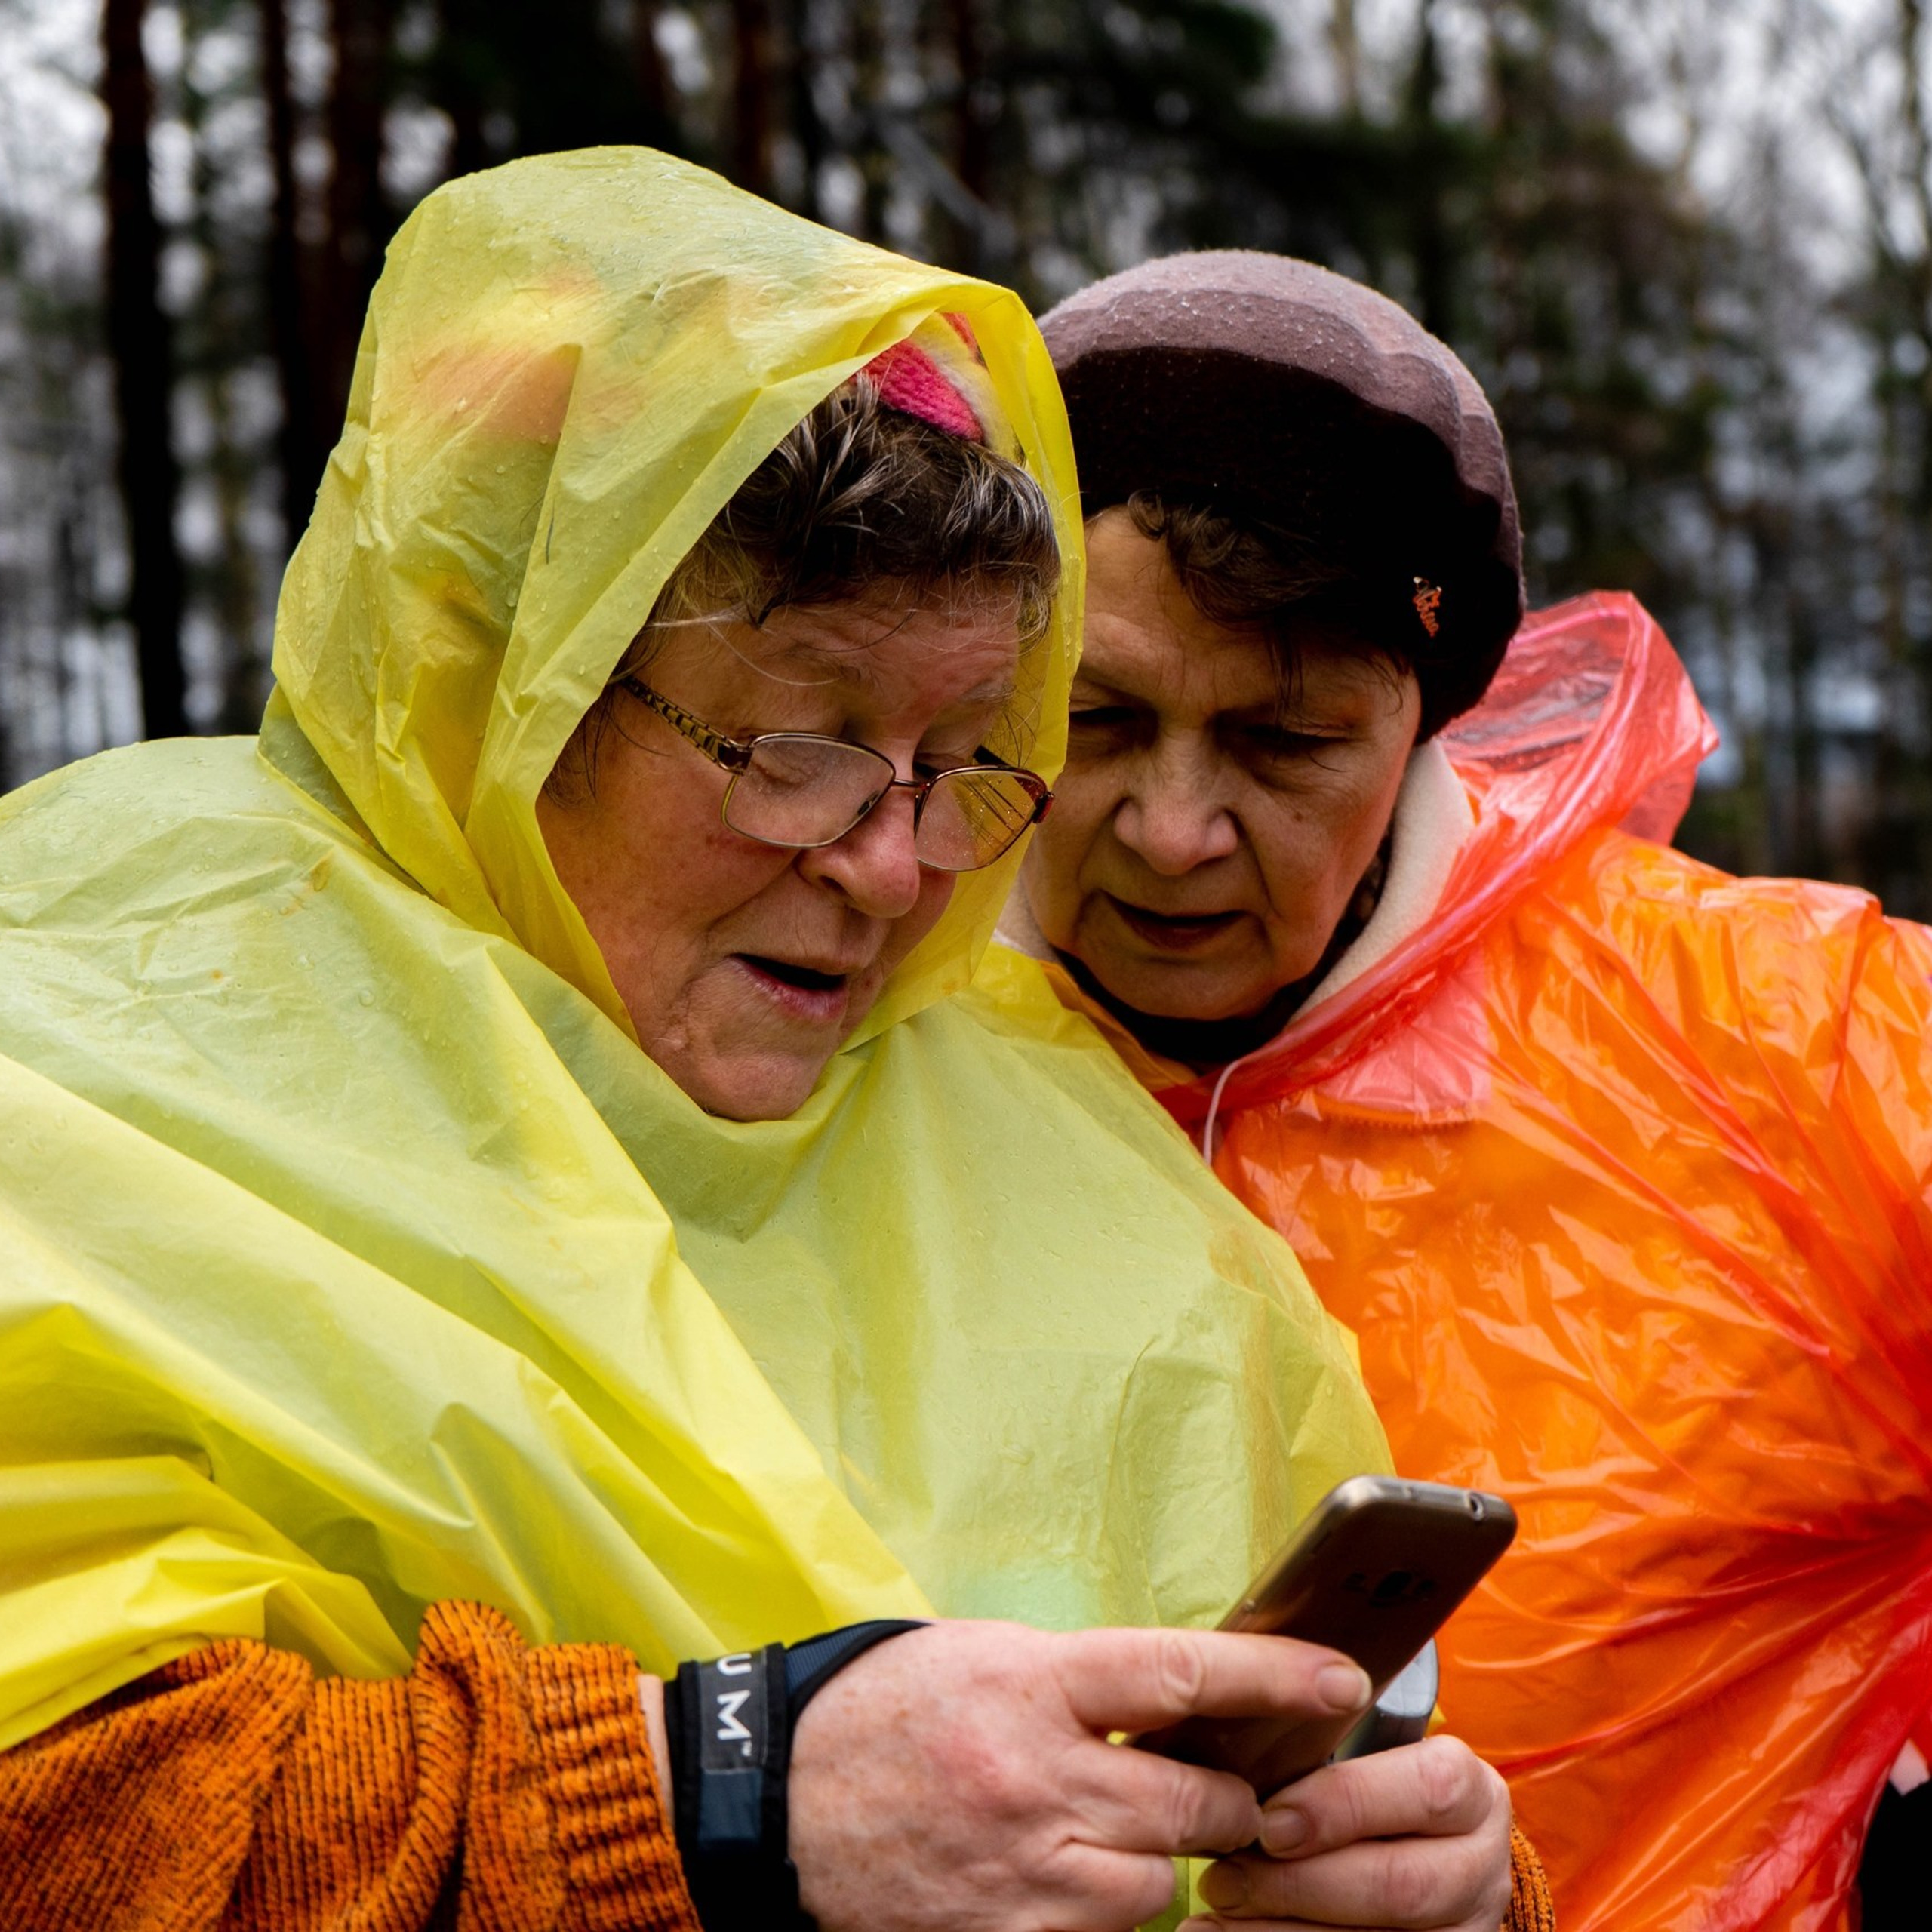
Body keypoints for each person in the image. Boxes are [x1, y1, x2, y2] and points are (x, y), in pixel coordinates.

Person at [0, 158, 1543, 1932]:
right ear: (509, 685)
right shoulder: (94, 1041)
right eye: (795, 747)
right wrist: (710, 1804)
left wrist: (1449, 1892)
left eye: (963, 759)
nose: (892, 868)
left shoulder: (1060, 1137)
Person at [1001, 248, 1932, 1932]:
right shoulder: (823, 1035)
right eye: (1094, 720)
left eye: (1287, 745)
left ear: (1425, 720)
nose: (1171, 830)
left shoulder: (1778, 1045)